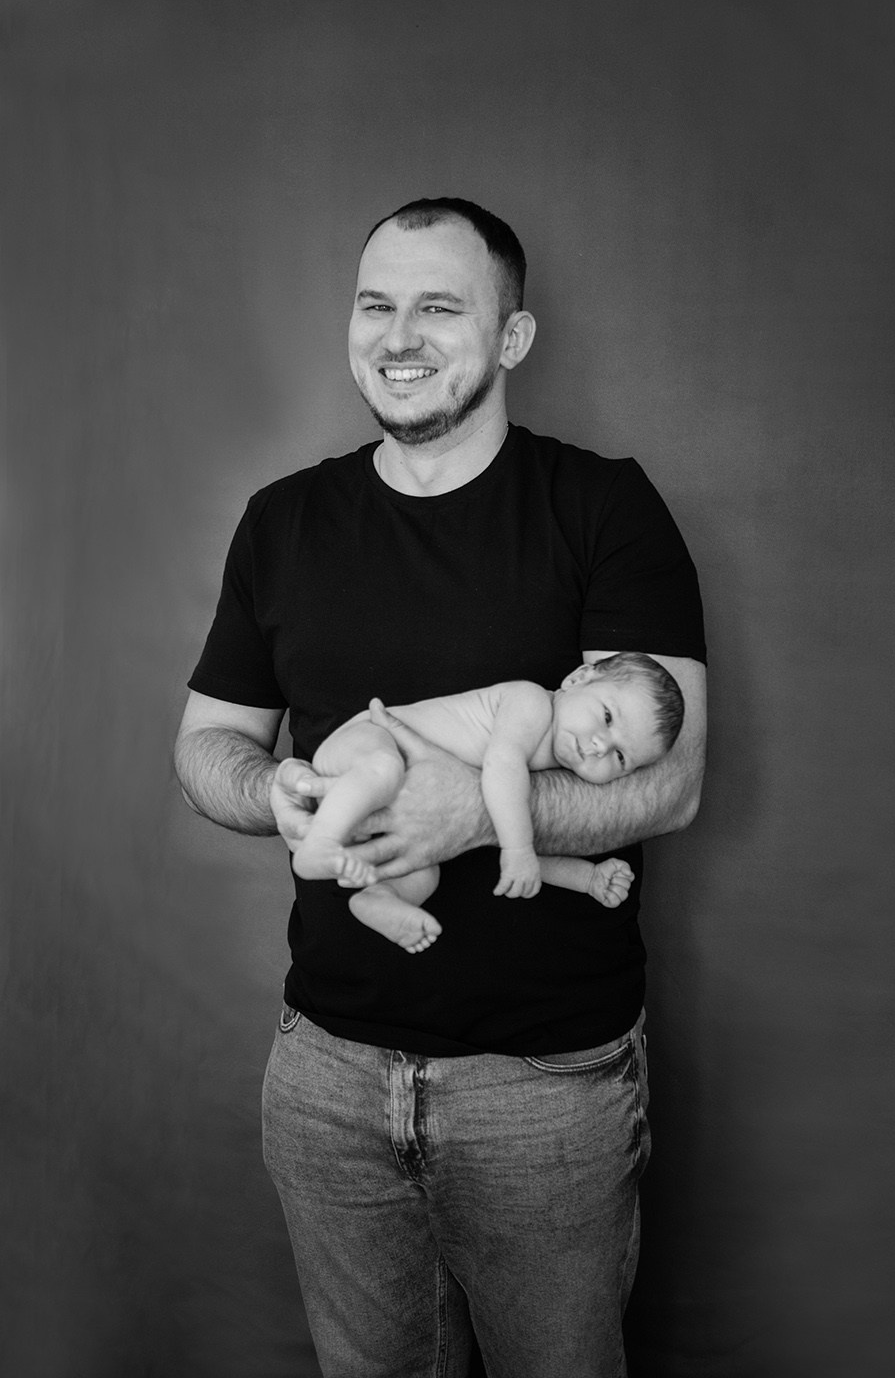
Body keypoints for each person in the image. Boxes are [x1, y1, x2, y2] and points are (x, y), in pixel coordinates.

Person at [174, 196, 707, 1378]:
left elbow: (670, 783)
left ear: (512, 338)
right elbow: (207, 744)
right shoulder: (284, 520)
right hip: (323, 1072)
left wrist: (469, 814)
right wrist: (282, 793)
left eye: (438, 305)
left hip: (544, 1088)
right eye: (375, 302)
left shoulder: (603, 507)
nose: (397, 332)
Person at [285, 651, 684, 954]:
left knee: (424, 873)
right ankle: (321, 844)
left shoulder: (544, 774)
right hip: (369, 740)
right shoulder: (531, 704)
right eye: (608, 717)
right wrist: (518, 848)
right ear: (579, 678)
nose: (600, 744)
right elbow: (502, 771)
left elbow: (516, 844)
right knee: (384, 767)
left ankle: (378, 900)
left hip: (375, 804)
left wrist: (587, 878)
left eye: (620, 757)